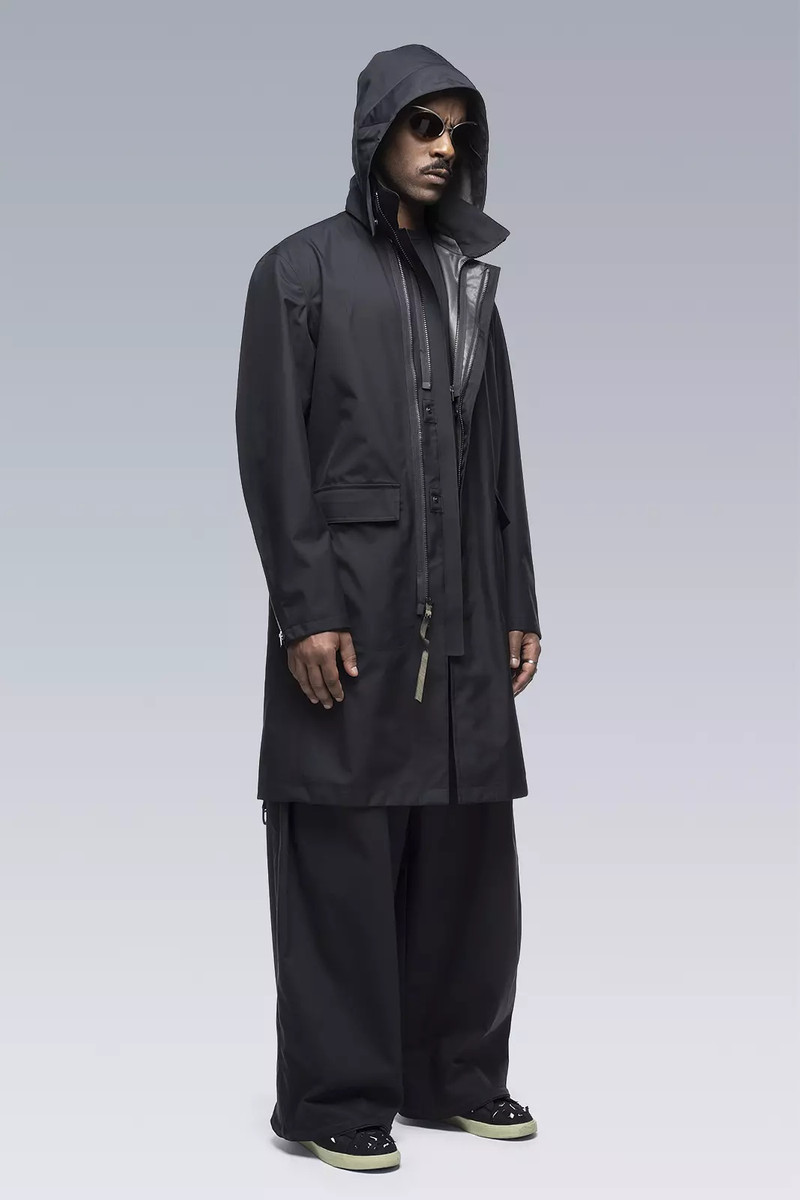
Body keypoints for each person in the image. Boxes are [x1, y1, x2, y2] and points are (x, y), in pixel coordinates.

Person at [235, 43, 543, 1172]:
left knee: (468, 857)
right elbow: (274, 454)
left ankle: (451, 1077)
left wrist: (517, 598)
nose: (445, 147)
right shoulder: (298, 271)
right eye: (425, 125)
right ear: (376, 133)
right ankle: (331, 1099)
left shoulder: (467, 281)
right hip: (352, 615)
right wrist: (304, 608)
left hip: (465, 618)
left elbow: (498, 460)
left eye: (460, 131)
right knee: (341, 857)